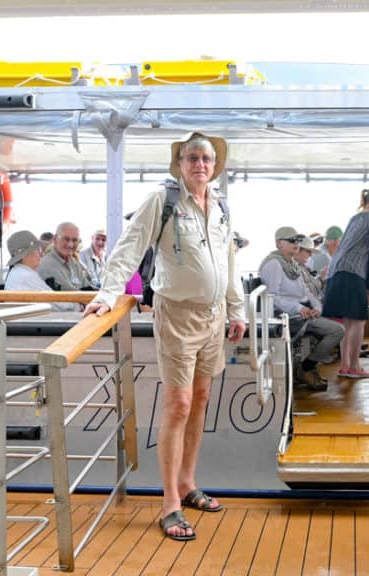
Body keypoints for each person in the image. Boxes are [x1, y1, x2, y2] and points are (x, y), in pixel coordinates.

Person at [84, 132, 245, 542]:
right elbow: (130, 246)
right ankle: (169, 503)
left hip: (214, 318)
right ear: (180, 163)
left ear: (215, 165)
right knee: (179, 404)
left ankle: (189, 484)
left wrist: (237, 308)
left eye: (206, 159)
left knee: (202, 399)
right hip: (176, 316)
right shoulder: (163, 200)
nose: (200, 165)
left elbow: (228, 261)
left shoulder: (221, 204)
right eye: (192, 158)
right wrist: (107, 294)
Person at [261, 227, 345, 390]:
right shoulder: (274, 264)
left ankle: (306, 367)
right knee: (336, 330)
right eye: (292, 240)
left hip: (300, 315)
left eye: (298, 241)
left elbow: (306, 291)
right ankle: (306, 369)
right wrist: (298, 308)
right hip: (285, 318)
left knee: (337, 329)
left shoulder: (292, 264)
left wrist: (316, 308)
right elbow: (273, 298)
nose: (296, 244)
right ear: (279, 243)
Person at [322, 186, 369, 379]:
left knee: (346, 322)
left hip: (337, 271)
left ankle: (345, 366)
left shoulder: (355, 217)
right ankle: (355, 367)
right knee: (358, 322)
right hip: (352, 272)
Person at [4, 230, 81, 311]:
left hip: (25, 321)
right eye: (37, 250)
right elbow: (57, 303)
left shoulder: (19, 272)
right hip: (30, 322)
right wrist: (79, 305)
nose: (41, 254)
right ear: (25, 255)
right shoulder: (26, 275)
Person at [38, 222, 93, 291]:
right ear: (55, 239)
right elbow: (68, 295)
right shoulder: (46, 264)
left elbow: (88, 287)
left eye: (75, 240)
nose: (70, 245)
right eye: (66, 239)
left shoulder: (74, 263)